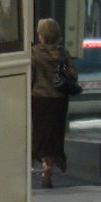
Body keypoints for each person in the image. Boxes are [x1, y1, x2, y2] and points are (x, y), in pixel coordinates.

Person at [30, 17, 74, 188]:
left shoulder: (34, 53)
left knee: (41, 134)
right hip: (59, 100)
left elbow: (31, 75)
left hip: (40, 99)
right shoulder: (63, 53)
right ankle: (49, 163)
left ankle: (44, 165)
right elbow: (72, 74)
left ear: (42, 35)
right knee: (55, 135)